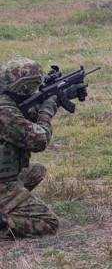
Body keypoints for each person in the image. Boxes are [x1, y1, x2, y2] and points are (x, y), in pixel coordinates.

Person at [0, 57, 61, 237]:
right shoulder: (5, 112)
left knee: (36, 171)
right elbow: (38, 140)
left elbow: (22, 121)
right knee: (49, 224)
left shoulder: (6, 102)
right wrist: (46, 112)